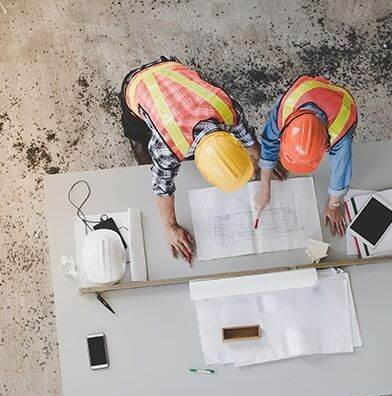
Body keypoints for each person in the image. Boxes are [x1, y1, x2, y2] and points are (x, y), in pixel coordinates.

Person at [119, 56, 264, 265]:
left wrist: (261, 158)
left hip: (171, 69)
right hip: (137, 85)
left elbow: (244, 132)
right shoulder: (167, 146)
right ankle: (139, 140)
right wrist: (169, 226)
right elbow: (162, 186)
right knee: (138, 133)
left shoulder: (226, 107)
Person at [255, 75, 358, 237]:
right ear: (284, 133)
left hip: (338, 102)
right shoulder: (285, 108)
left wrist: (334, 205)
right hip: (308, 91)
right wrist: (264, 188)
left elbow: (341, 168)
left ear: (326, 145)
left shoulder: (341, 129)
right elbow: (269, 141)